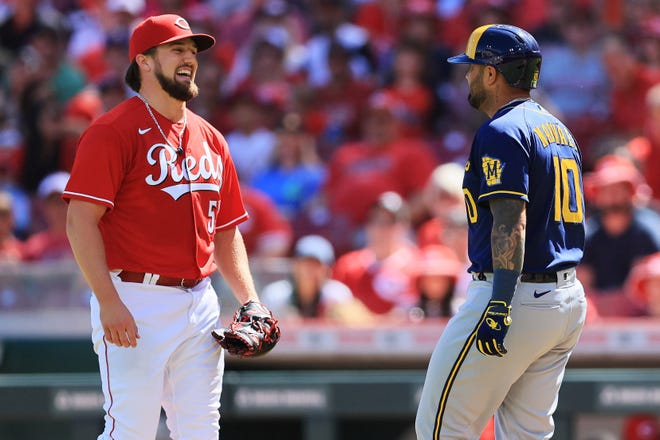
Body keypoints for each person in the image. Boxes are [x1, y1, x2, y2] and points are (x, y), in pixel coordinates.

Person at [63, 14, 270, 439]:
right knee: (131, 430)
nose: (189, 59)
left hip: (200, 300)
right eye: (177, 50)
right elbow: (79, 221)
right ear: (144, 60)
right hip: (135, 298)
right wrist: (108, 300)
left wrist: (250, 299)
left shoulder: (210, 137)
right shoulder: (112, 130)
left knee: (200, 429)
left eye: (193, 52)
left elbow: (227, 229)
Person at [416, 25, 587, 439]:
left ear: (492, 73)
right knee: (526, 435)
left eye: (473, 67)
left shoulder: (502, 130)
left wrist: (500, 303)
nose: (468, 76)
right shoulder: (557, 129)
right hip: (564, 299)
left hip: (514, 294)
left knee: (440, 430)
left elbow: (512, 220)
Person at [579, 154, 660, 317]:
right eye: (606, 190)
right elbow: (582, 285)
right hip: (599, 317)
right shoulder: (588, 233)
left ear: (631, 192)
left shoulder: (648, 230)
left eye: (618, 189)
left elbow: (649, 285)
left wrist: (616, 303)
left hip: (644, 315)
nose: (612, 197)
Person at [332, 191, 420, 317]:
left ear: (404, 227)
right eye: (374, 221)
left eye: (388, 222)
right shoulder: (348, 265)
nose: (379, 229)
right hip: (356, 335)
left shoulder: (416, 265)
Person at [260, 234, 359, 322]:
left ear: (327, 270)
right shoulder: (274, 296)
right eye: (306, 264)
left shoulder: (338, 296)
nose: (310, 271)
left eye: (317, 266)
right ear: (295, 265)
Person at [22, 171, 74, 261]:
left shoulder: (88, 241)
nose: (60, 208)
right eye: (54, 202)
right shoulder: (33, 246)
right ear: (44, 207)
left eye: (65, 201)